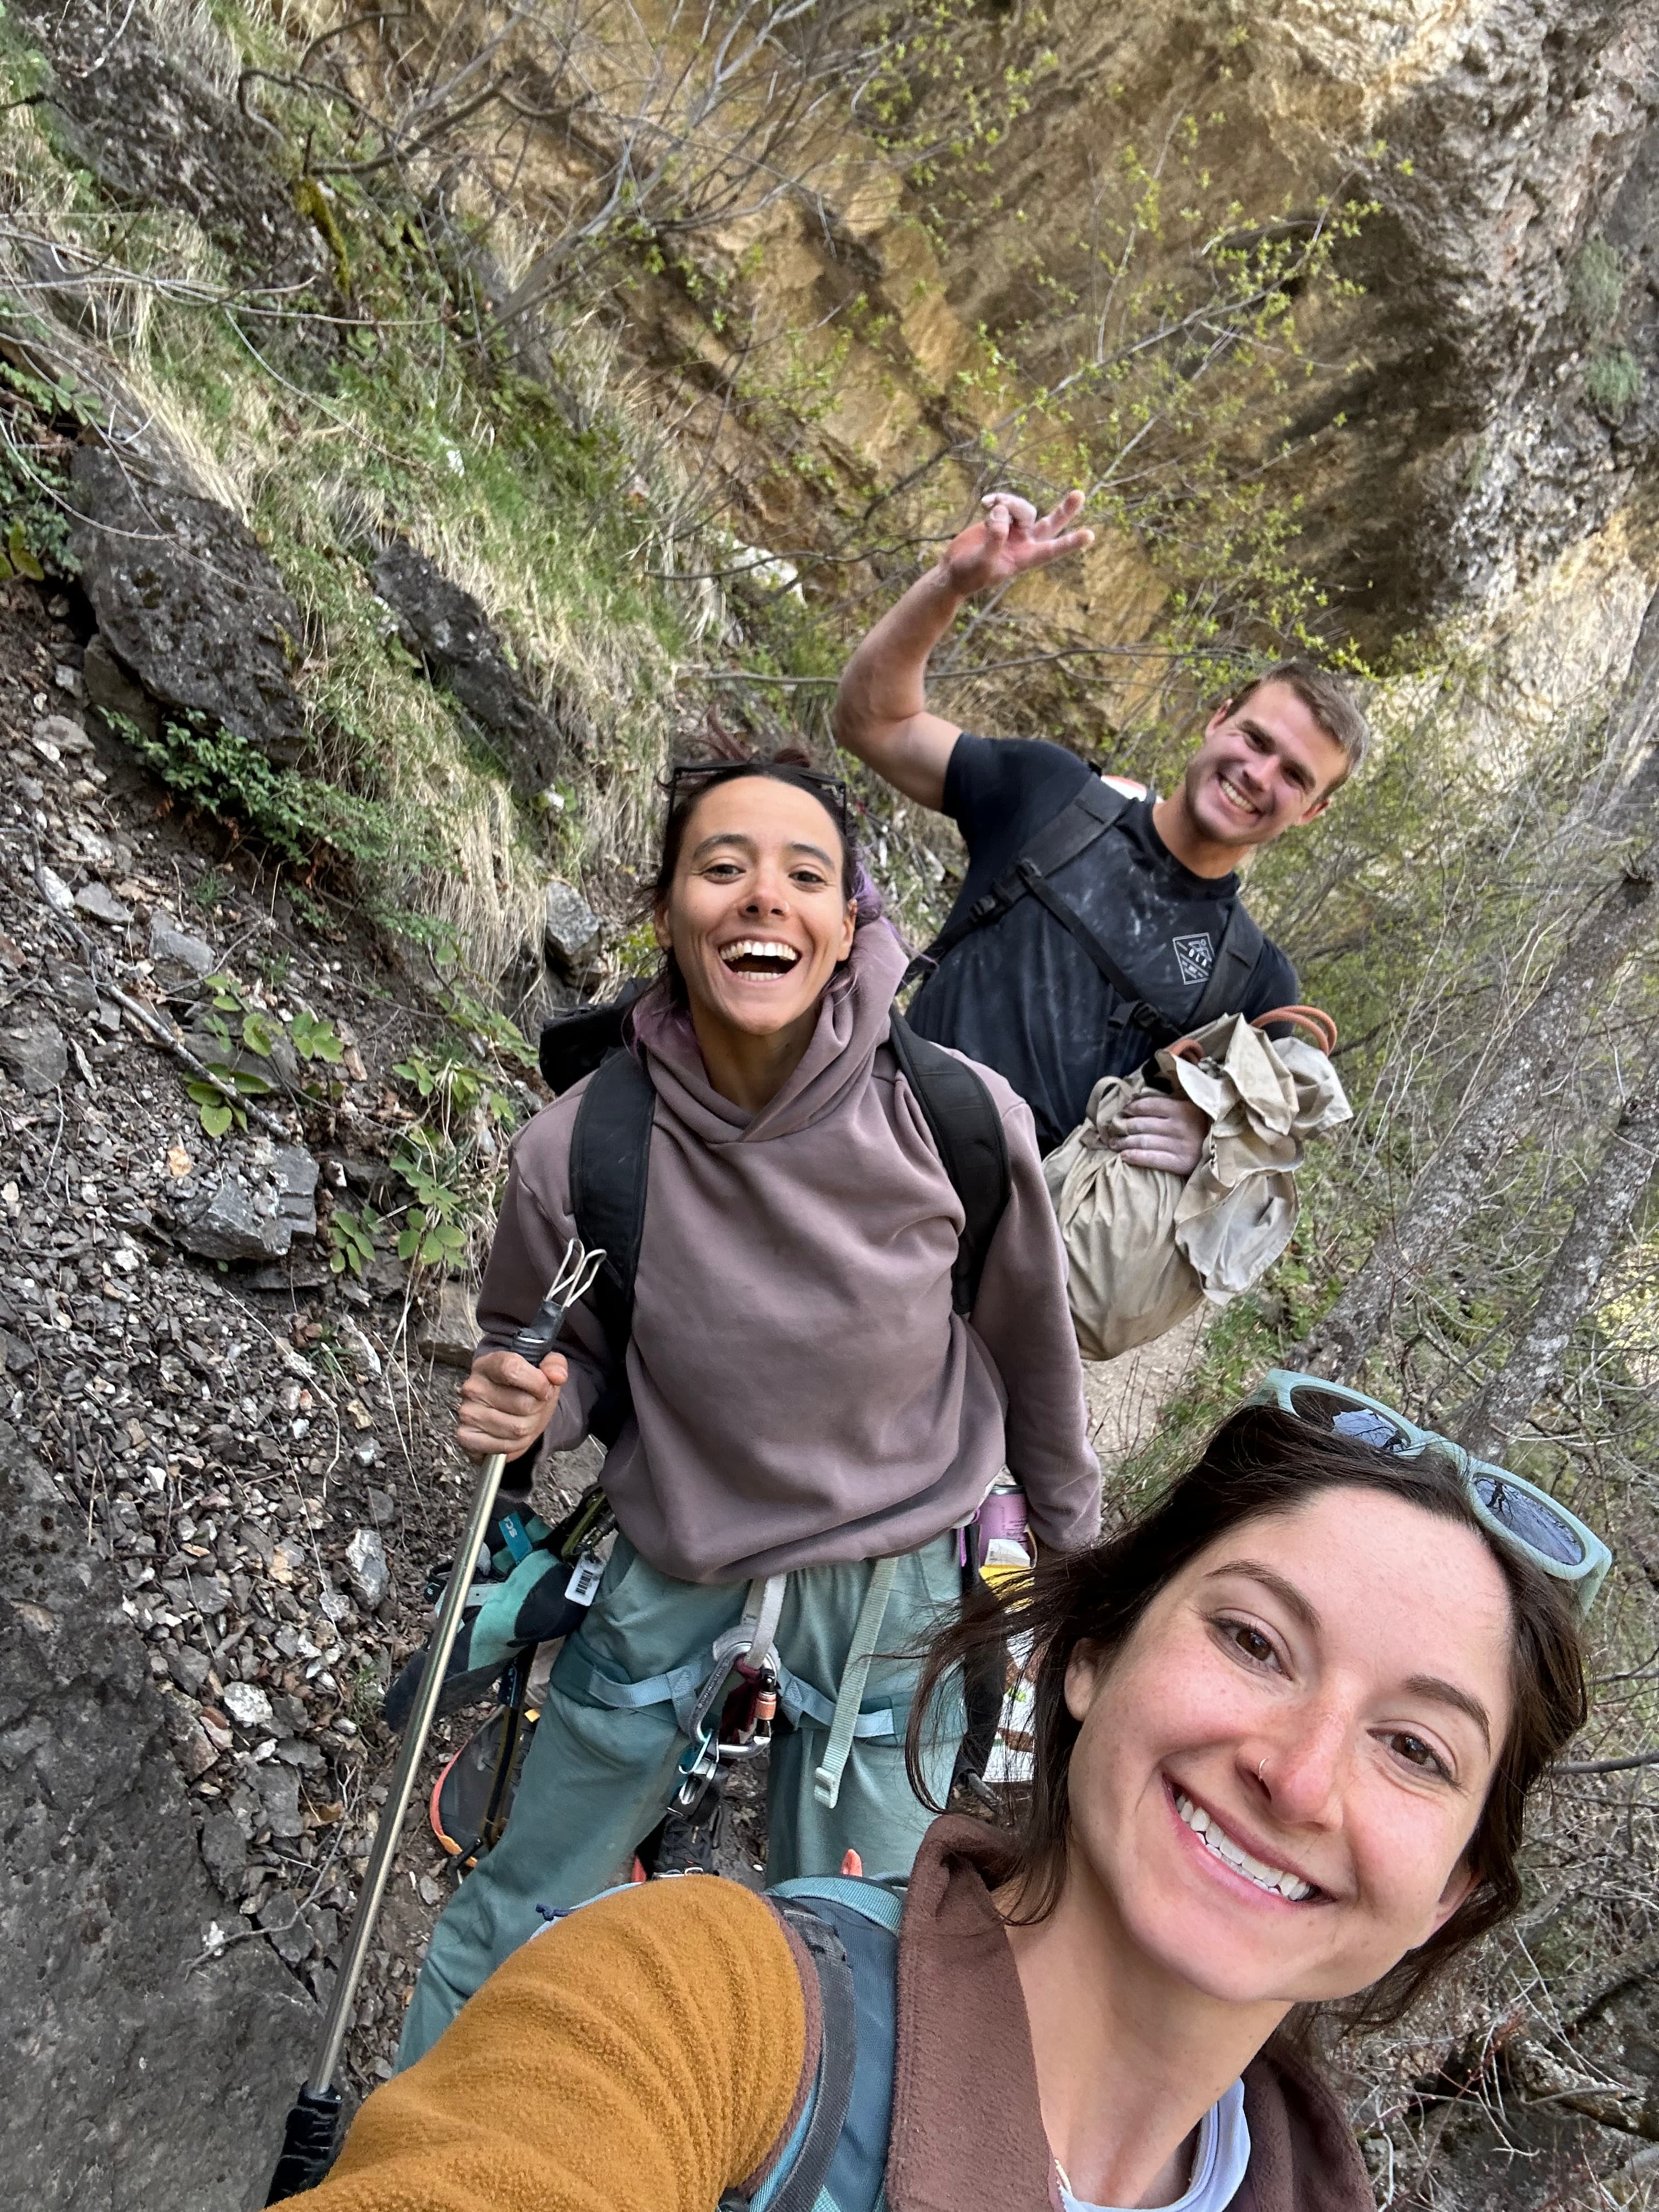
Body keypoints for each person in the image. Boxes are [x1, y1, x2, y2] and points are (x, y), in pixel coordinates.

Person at [285, 1375, 1597, 2212]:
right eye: (1253, 1642)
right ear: (1089, 1654)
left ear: (1454, 1892)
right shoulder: (703, 2011)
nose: (1300, 1775)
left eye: (1416, 1749)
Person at [397, 749, 1099, 2065]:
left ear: (851, 925)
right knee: (517, 1912)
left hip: (897, 1590)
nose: (762, 898)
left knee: (874, 1963)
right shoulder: (584, 1149)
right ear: (665, 916)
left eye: (804, 874)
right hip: (678, 1557)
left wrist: (1073, 1579)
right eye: (721, 868)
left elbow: (1035, 1366)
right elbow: (558, 1354)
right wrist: (531, 1403)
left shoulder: (952, 1119)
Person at [832, 491, 1372, 1162]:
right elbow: (871, 722)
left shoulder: (1255, 984)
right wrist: (950, 585)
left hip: (990, 1247)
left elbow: (1261, 1151)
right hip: (860, 1135)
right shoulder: (1050, 792)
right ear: (1217, 718)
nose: (1259, 776)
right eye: (1255, 739)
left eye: (1295, 776)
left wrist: (1214, 1142)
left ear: (1313, 811)